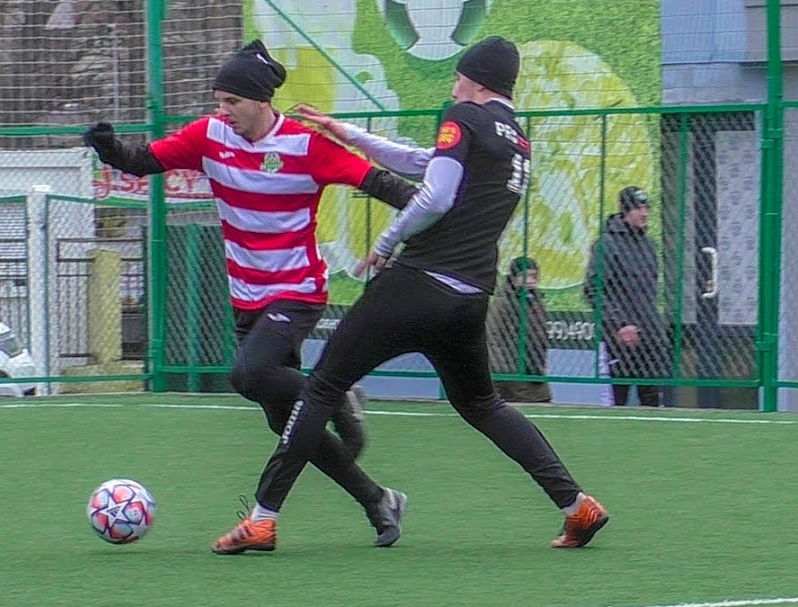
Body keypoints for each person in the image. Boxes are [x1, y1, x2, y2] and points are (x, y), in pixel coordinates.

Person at [212, 36, 609, 555]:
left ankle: (263, 519)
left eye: (458, 77)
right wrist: (344, 132)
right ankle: (576, 504)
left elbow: (437, 193)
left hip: (418, 283)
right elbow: (424, 161)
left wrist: (386, 240)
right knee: (483, 405)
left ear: (476, 81)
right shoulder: (516, 139)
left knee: (323, 387)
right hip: (470, 295)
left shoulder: (463, 115)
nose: (453, 86)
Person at [83, 40, 417, 546]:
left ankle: (337, 396)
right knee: (289, 425)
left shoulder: (305, 146)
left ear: (261, 101)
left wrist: (429, 212)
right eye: (218, 101)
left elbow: (379, 182)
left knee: (249, 375)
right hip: (248, 300)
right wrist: (108, 147)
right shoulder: (208, 136)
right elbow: (143, 161)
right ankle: (379, 501)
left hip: (297, 291)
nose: (222, 111)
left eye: (231, 102)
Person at [583, 186, 668, 407]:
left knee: (651, 398)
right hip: (618, 338)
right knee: (616, 398)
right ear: (625, 211)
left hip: (649, 335)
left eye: (646, 207)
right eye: (638, 208)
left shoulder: (648, 245)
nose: (644, 213)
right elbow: (593, 289)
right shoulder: (606, 244)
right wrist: (620, 324)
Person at [488, 256, 552, 403]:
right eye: (524, 276)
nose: (529, 281)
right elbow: (492, 337)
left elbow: (541, 336)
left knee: (543, 400)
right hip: (511, 369)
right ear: (514, 278)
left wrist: (540, 361)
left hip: (534, 366)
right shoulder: (502, 302)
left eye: (533, 276)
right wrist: (504, 371)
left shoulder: (537, 301)